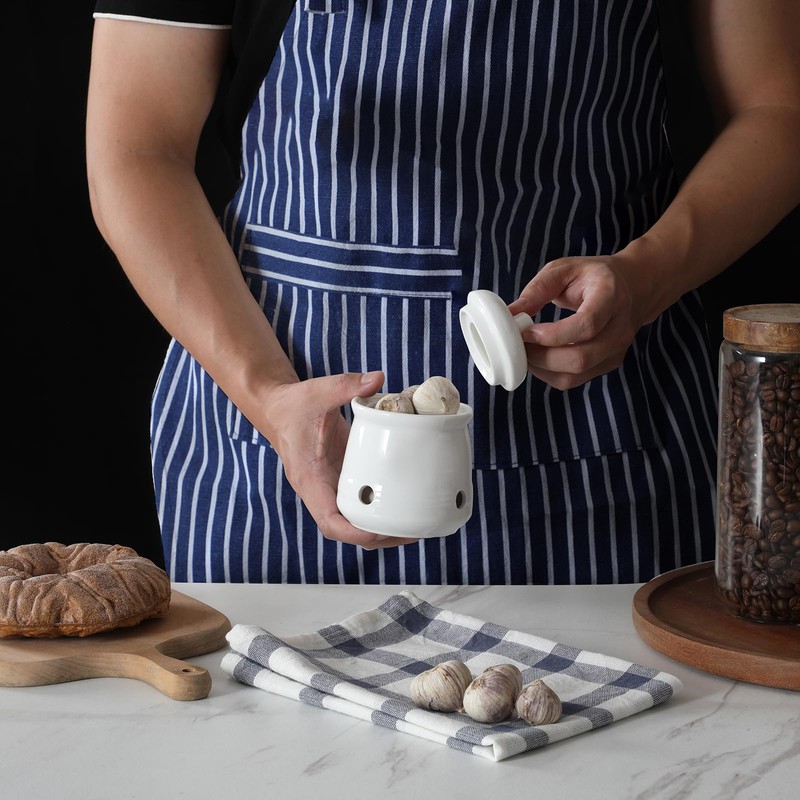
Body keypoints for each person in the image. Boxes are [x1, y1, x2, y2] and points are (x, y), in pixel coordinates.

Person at [86, 0, 800, 585]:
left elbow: (779, 110)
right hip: (272, 443)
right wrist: (269, 398)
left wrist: (647, 277)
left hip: (596, 445)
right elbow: (136, 147)